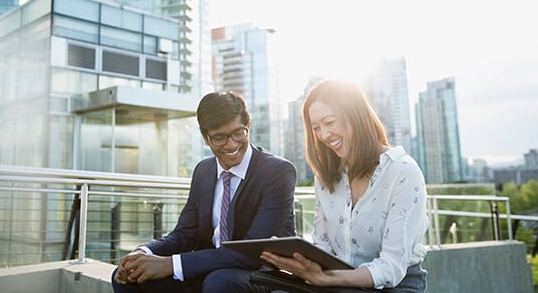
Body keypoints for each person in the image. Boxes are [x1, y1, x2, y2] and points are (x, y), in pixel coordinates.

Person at [112, 90, 297, 293]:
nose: (231, 144)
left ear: (249, 125)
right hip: (210, 270)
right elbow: (184, 234)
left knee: (219, 281)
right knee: (129, 274)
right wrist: (142, 253)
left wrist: (170, 264)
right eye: (219, 137)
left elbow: (252, 252)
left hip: (260, 274)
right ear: (205, 137)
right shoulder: (204, 171)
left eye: (238, 133)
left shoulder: (278, 172)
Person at [261, 78, 428, 292]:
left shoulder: (403, 171)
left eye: (329, 122)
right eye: (316, 128)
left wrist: (327, 279)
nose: (323, 135)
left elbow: (391, 268)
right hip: (338, 281)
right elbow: (322, 245)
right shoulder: (326, 175)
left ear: (356, 116)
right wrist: (297, 260)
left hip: (395, 285)